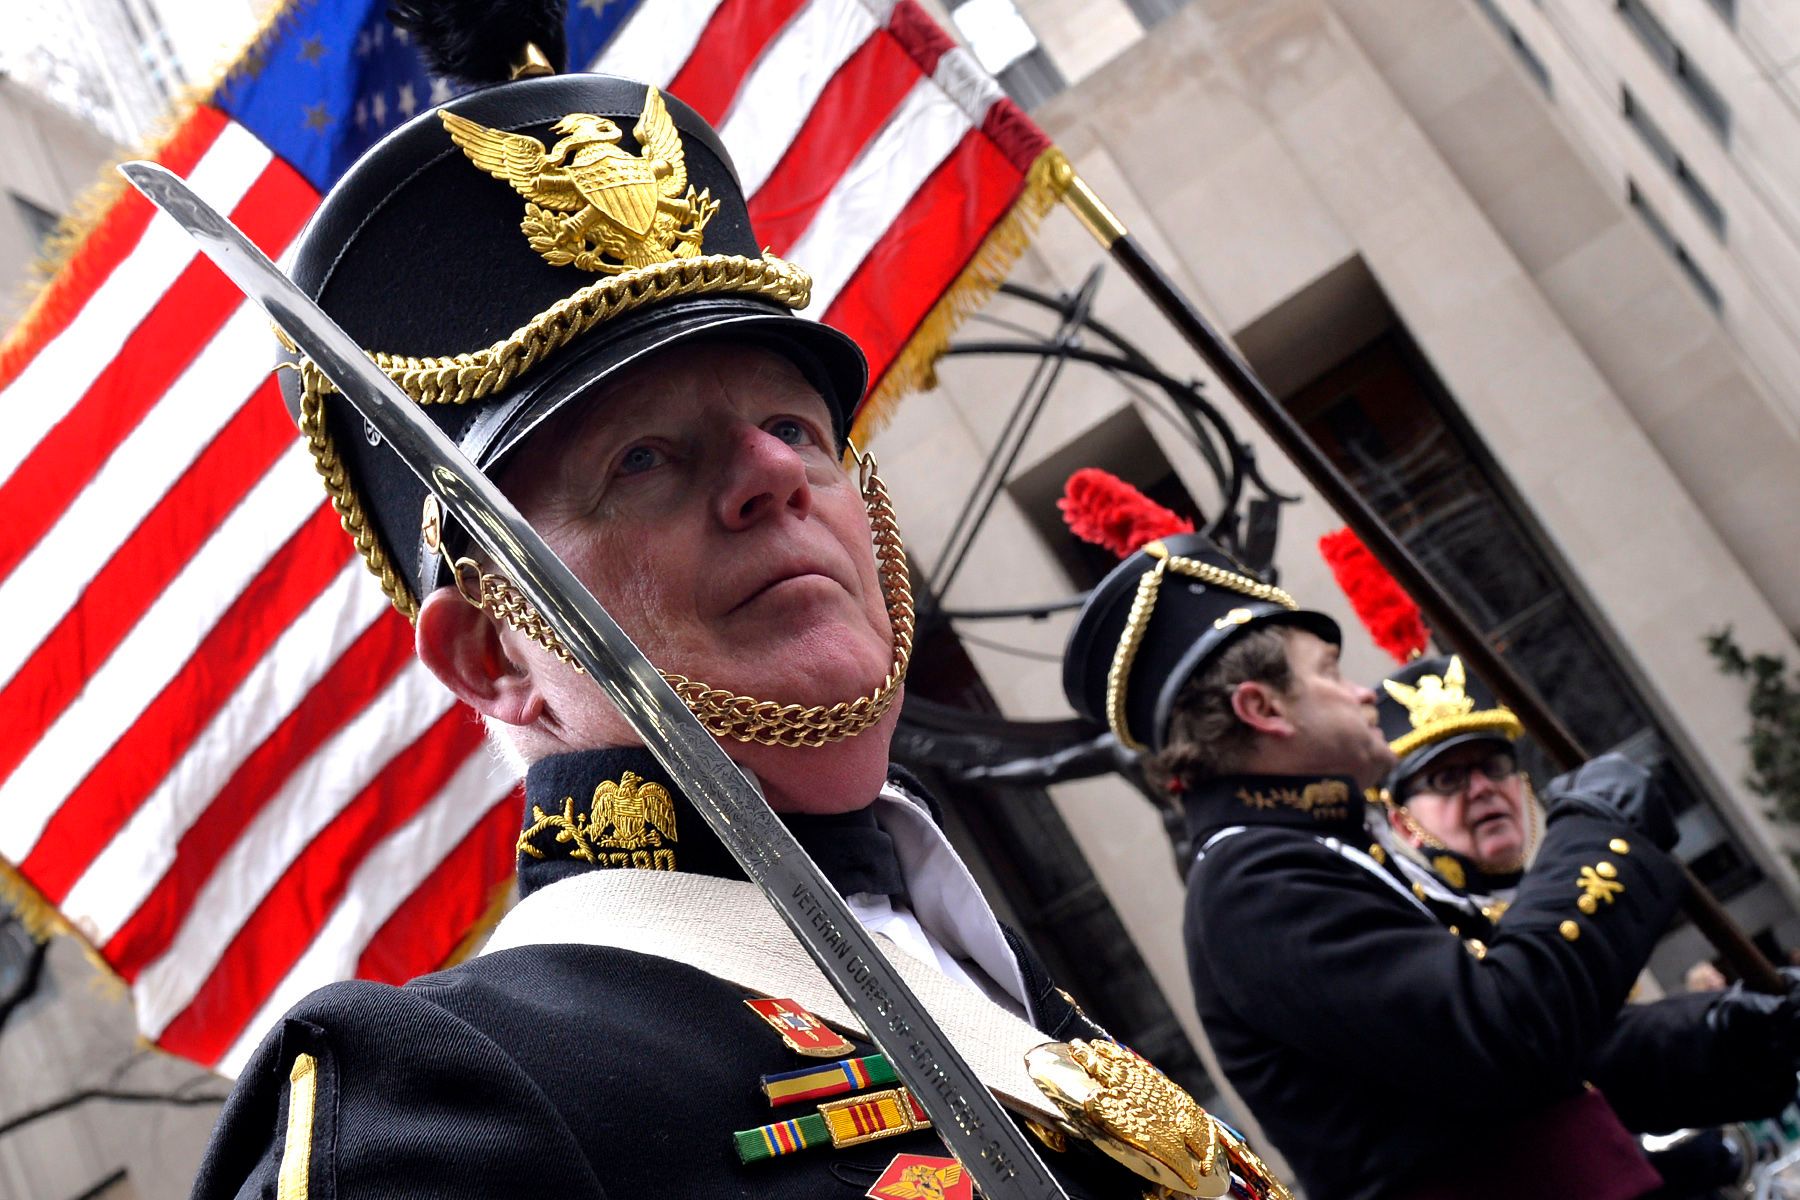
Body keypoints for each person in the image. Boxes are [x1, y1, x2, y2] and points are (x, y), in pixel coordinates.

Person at [188, 10, 1284, 1200]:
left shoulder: (973, 959)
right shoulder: (446, 1112)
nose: (769, 473)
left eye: (797, 428)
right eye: (645, 459)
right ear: (495, 653)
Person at [1061, 531, 1795, 1200]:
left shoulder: (1319, 852)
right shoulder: (1253, 889)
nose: (1361, 693)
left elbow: (1572, 1067)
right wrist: (1600, 834)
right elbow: (1506, 1032)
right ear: (1263, 709)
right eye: (1330, 672)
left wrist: (1732, 1033)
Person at [1373, 655, 1800, 1195]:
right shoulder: (1419, 936)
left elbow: (1615, 1046)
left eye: (1495, 764)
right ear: (1402, 822)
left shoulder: (1525, 899)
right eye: (1447, 777)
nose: (1481, 787)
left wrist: (1729, 1029)